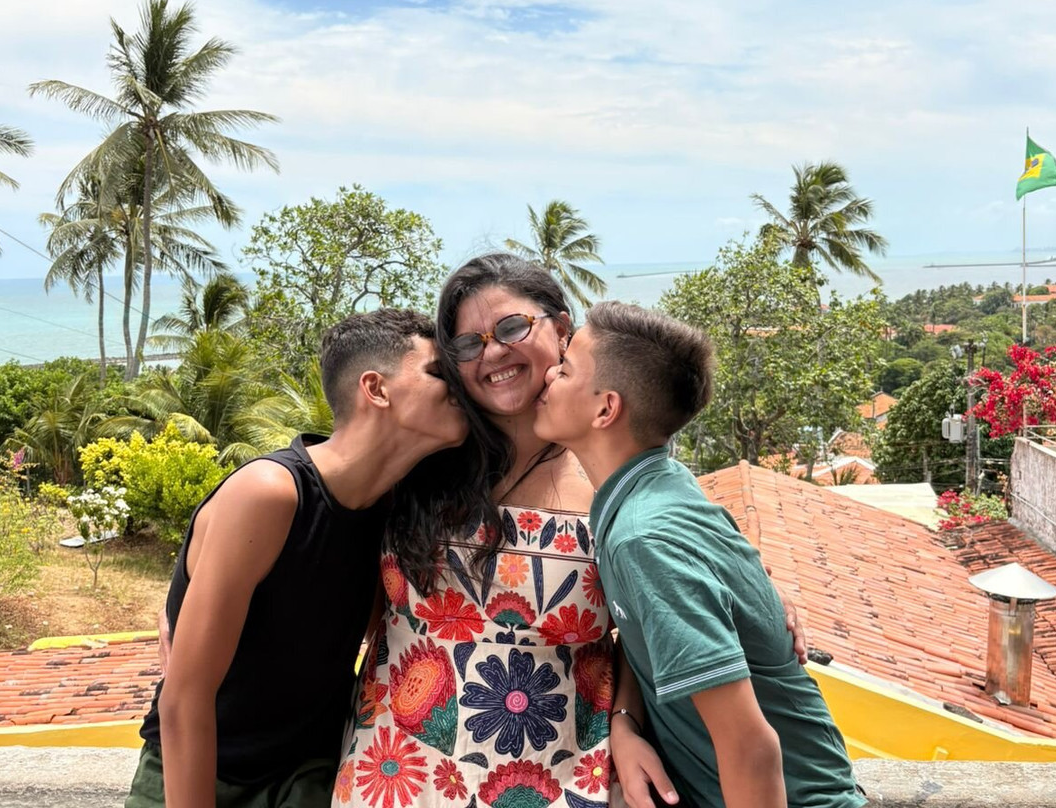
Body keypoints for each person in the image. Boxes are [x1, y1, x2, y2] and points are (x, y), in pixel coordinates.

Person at [333, 256, 802, 808]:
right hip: (395, 775)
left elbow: (651, 620)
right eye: (467, 344)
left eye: (512, 327)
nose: (492, 353)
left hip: (562, 779)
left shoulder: (620, 483)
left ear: (561, 330)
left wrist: (626, 719)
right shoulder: (423, 460)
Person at [126, 309, 468, 808]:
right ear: (376, 389)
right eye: (438, 372)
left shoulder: (392, 509)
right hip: (199, 768)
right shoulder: (270, 493)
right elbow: (185, 699)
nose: (459, 385)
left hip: (309, 770)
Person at [532, 301, 866, 808]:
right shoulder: (655, 488)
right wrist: (625, 721)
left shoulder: (645, 539)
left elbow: (751, 747)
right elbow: (650, 635)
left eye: (566, 369)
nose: (549, 375)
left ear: (605, 409)